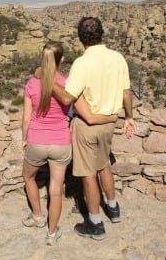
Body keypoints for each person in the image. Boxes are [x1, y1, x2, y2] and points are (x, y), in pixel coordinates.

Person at [22, 41, 118, 246]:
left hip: (36, 140)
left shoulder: (31, 84)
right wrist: (111, 118)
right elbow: (85, 113)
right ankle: (51, 233)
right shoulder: (68, 84)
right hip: (61, 142)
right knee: (56, 188)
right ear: (62, 60)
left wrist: (24, 139)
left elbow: (26, 118)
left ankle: (38, 216)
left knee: (28, 177)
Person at [50, 17, 136, 241]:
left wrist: (49, 82)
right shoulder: (118, 58)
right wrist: (129, 117)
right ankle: (113, 208)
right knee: (104, 164)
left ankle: (95, 223)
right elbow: (126, 93)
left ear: (80, 38)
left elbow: (68, 98)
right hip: (109, 122)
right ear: (102, 34)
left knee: (88, 173)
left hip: (87, 125)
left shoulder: (82, 63)